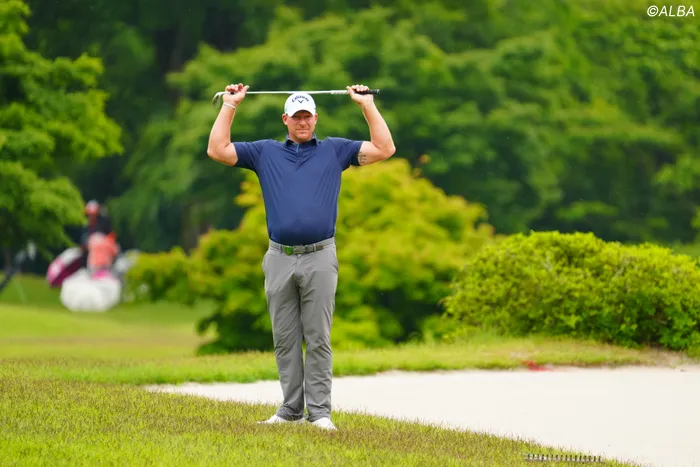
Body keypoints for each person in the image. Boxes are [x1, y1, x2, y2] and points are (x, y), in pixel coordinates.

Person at [206, 83, 396, 430]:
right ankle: (290, 410)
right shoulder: (265, 152)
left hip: (320, 256)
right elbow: (217, 149)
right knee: (285, 338)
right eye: (297, 117)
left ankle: (320, 413)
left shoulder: (335, 150)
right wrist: (230, 105)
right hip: (279, 256)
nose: (303, 122)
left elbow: (385, 148)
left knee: (318, 337)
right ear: (286, 120)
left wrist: (366, 105)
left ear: (316, 118)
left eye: (308, 116)